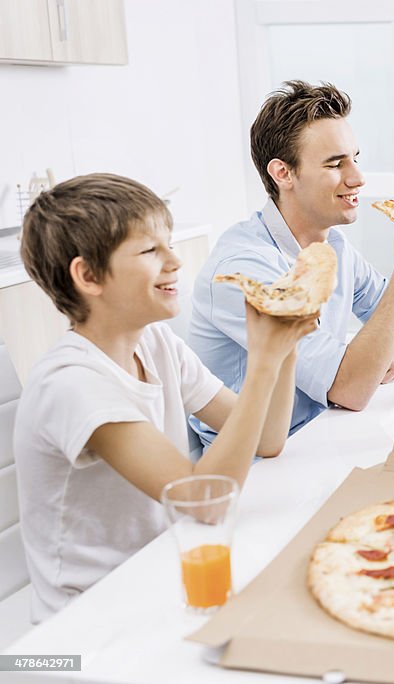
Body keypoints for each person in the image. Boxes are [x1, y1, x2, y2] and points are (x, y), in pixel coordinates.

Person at [14, 174, 316, 622]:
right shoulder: (71, 383)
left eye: (170, 243)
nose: (175, 260)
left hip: (158, 578)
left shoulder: (156, 344)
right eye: (151, 250)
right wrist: (263, 362)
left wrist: (285, 340)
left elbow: (268, 439)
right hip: (90, 620)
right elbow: (204, 501)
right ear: (89, 276)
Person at [190, 81, 394, 444]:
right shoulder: (243, 271)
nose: (357, 177)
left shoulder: (333, 244)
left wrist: (383, 357)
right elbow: (350, 389)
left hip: (322, 433)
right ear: (282, 173)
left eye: (355, 158)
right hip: (257, 465)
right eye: (335, 164)